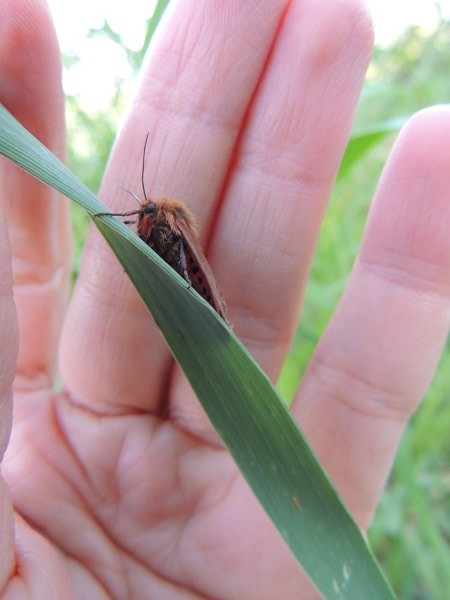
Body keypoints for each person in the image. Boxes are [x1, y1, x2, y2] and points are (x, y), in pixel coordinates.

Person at [1, 0, 449, 598]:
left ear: (157, 218)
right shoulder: (154, 222)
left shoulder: (168, 226)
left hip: (199, 291)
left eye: (143, 215)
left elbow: (177, 254)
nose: (141, 220)